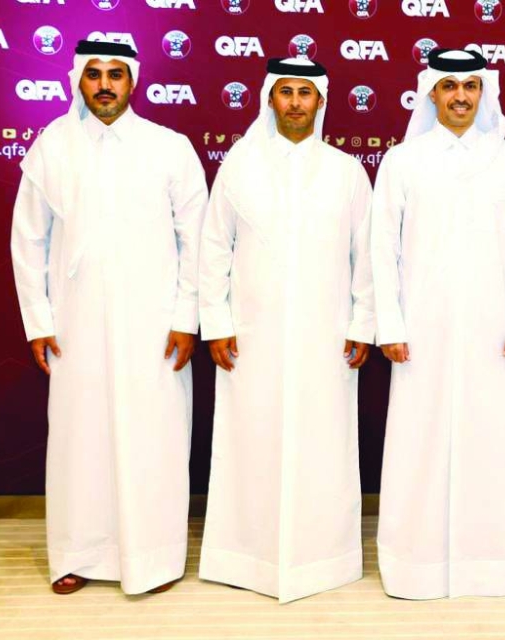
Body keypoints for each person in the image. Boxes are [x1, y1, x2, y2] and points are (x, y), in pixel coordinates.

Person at [10, 40, 207, 595]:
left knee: (155, 436)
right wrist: (38, 320)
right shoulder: (53, 146)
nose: (103, 84)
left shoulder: (169, 147)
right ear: (78, 78)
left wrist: (186, 318)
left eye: (115, 74)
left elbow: (196, 241)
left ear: (133, 80)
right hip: (76, 324)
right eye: (93, 74)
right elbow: (28, 238)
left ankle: (153, 559)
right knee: (79, 437)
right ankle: (75, 555)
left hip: (156, 325)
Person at [197, 58, 375, 602]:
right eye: (286, 92)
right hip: (252, 338)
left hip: (328, 338)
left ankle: (324, 561)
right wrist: (216, 323)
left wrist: (363, 322)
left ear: (321, 101)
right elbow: (212, 249)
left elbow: (365, 256)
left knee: (325, 444)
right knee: (249, 440)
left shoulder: (347, 171)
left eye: (305, 93)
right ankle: (243, 558)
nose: (296, 103)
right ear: (270, 100)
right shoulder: (239, 167)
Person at [370, 48, 505, 600]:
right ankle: (413, 565)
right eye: (449, 87)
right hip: (420, 330)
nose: (461, 96)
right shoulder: (403, 160)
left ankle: (483, 566)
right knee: (416, 443)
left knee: (489, 443)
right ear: (431, 95)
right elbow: (383, 249)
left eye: (470, 86)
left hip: (493, 331)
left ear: (483, 94)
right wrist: (390, 324)